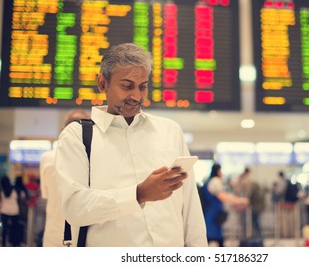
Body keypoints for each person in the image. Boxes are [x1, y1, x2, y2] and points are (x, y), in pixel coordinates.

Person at [55, 43, 207, 247]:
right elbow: (75, 207)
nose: (136, 96)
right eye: (127, 86)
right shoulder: (77, 136)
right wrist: (139, 194)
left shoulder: (169, 130)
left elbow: (190, 209)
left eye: (142, 86)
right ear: (102, 83)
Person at [40, 109, 90, 247]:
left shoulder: (47, 158)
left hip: (54, 234)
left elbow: (46, 194)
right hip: (81, 236)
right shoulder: (95, 161)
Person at [202, 163, 248, 247]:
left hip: (210, 213)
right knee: (213, 237)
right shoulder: (215, 181)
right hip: (213, 214)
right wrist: (239, 200)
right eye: (220, 170)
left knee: (211, 238)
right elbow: (222, 196)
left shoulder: (208, 181)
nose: (221, 173)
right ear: (217, 171)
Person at [1, 176, 21, 246]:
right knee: (14, 228)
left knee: (4, 229)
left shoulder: (2, 190)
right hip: (14, 211)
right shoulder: (15, 189)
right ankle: (14, 243)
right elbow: (20, 197)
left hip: (4, 210)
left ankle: (4, 244)